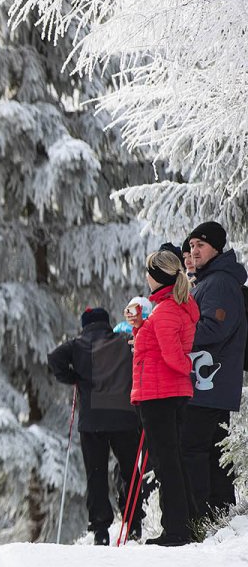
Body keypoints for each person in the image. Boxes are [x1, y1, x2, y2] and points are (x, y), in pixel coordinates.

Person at [48, 307, 143, 545]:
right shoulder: (123, 341)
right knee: (130, 470)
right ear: (106, 322)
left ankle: (100, 529)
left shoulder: (78, 344)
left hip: (93, 421)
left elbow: (54, 359)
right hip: (125, 417)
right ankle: (133, 523)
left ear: (85, 324)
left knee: (97, 474)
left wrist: (74, 378)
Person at [126, 249, 199, 546]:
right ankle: (186, 523)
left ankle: (177, 530)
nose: (145, 276)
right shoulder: (166, 308)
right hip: (164, 392)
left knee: (167, 461)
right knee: (173, 459)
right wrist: (141, 328)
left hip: (160, 395)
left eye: (147, 271)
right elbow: (163, 347)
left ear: (156, 276)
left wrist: (187, 369)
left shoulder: (167, 310)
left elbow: (173, 355)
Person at [183, 221, 247, 520]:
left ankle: (203, 518)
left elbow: (214, 326)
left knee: (195, 451)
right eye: (192, 245)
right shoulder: (209, 280)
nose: (194, 251)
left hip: (209, 384)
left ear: (217, 249)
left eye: (201, 245)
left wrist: (174, 333)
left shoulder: (219, 282)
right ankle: (216, 517)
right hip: (207, 385)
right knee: (210, 453)